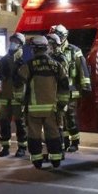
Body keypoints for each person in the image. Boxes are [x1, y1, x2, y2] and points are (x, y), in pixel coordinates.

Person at [16, 36, 69, 169]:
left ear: (34, 49)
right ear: (46, 48)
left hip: (33, 109)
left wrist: (20, 100)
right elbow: (64, 85)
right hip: (52, 109)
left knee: (34, 136)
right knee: (53, 134)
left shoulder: (28, 66)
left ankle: (37, 161)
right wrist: (61, 104)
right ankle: (56, 160)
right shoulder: (56, 65)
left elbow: (18, 84)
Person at [49, 24, 91, 152]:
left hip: (71, 91)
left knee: (70, 117)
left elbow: (82, 69)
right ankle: (65, 141)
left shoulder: (74, 50)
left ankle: (75, 141)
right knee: (60, 117)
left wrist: (86, 85)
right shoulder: (51, 51)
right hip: (56, 91)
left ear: (63, 36)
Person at [0, 32, 27, 158]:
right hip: (5, 96)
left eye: (16, 42)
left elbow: (26, 78)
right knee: (4, 123)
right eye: (12, 41)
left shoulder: (24, 59)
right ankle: (5, 147)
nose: (13, 43)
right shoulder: (4, 59)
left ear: (20, 44)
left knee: (20, 124)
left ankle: (22, 148)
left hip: (18, 97)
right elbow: (0, 77)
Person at [46, 33, 69, 157]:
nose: (48, 46)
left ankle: (60, 150)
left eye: (50, 44)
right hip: (51, 96)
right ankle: (56, 150)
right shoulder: (50, 57)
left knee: (58, 124)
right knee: (53, 125)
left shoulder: (61, 59)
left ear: (55, 45)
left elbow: (62, 79)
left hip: (58, 95)